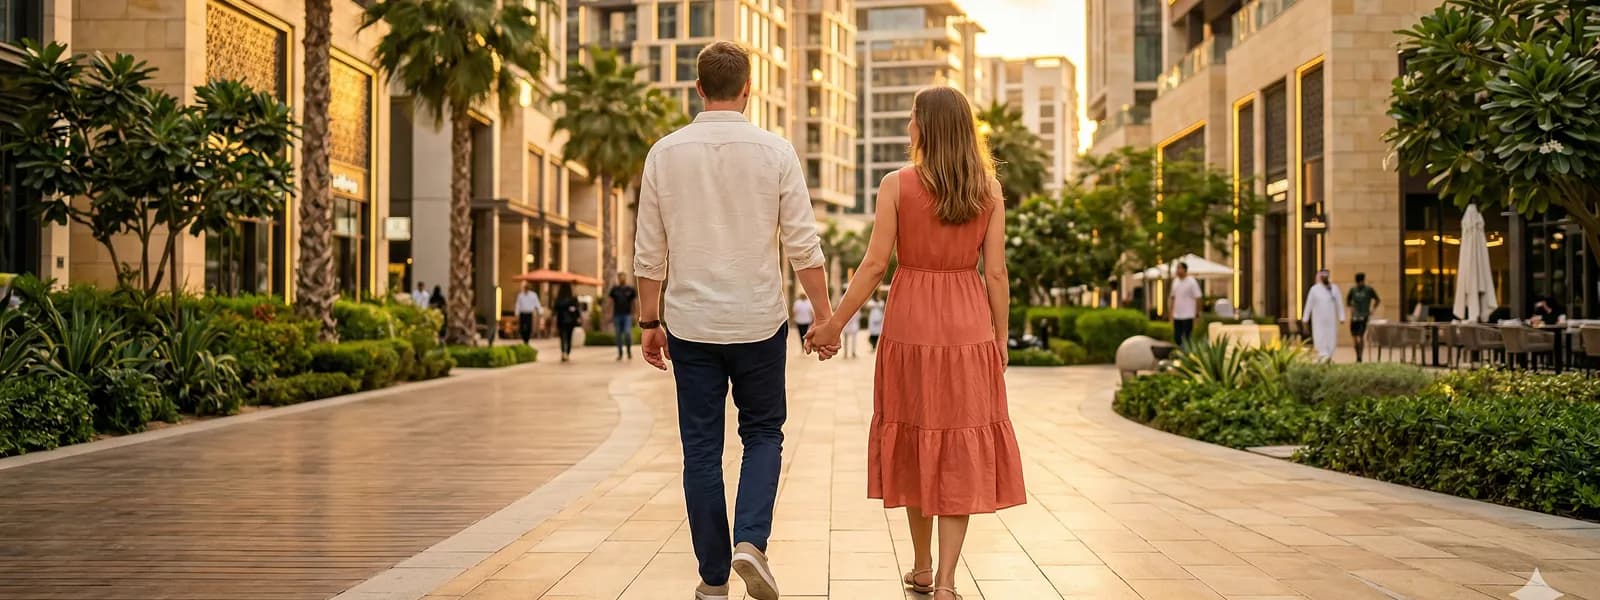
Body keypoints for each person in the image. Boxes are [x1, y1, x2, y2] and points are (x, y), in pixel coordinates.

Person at [632, 41, 836, 600]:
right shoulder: (776, 152)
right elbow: (803, 245)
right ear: (748, 88)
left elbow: (650, 251)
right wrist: (824, 317)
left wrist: (650, 323)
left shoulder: (664, 154)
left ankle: (714, 576)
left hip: (691, 325)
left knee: (700, 448)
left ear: (698, 88)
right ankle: (751, 541)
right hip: (759, 322)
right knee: (763, 433)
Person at [805, 86, 1025, 600]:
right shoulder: (987, 190)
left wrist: (835, 323)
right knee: (958, 444)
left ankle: (923, 566)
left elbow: (875, 264)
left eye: (912, 119)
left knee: (917, 437)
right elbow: (996, 273)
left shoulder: (897, 185)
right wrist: (1001, 338)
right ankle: (946, 580)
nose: (909, 127)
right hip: (969, 325)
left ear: (925, 126)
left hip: (909, 325)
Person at [1301, 269, 1346, 361]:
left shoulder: (1334, 288)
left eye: (1326, 276)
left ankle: (1328, 357)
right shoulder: (1314, 289)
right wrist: (1305, 318)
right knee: (1320, 338)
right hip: (1318, 321)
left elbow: (1339, 303)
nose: (1325, 278)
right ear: (1321, 277)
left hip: (1331, 320)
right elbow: (1309, 305)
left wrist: (1342, 316)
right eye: (1323, 276)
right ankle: (1323, 357)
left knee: (1331, 339)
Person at [1345, 272, 1380, 362]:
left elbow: (1377, 299)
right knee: (1354, 338)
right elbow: (1347, 301)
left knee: (1360, 337)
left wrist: (1372, 310)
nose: (1360, 284)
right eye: (1358, 282)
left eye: (1361, 282)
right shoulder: (1353, 290)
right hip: (1354, 317)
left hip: (1364, 316)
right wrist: (1351, 307)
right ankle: (1357, 353)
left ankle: (1360, 356)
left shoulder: (1368, 290)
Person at [1168, 262, 1203, 347]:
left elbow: (1198, 298)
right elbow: (1173, 297)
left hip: (1188, 315)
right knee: (1177, 338)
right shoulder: (1175, 281)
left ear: (1185, 269)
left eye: (1179, 268)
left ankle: (1186, 356)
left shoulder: (1192, 282)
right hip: (1177, 316)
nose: (1177, 270)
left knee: (1186, 338)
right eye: (1177, 268)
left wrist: (1197, 314)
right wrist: (1171, 313)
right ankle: (1179, 355)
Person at [609, 274, 638, 360]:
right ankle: (620, 353)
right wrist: (610, 314)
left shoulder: (630, 290)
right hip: (617, 315)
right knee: (618, 335)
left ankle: (629, 351)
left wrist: (635, 314)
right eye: (620, 277)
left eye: (623, 277)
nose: (622, 279)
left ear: (625, 278)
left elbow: (634, 302)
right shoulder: (615, 290)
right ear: (618, 278)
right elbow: (611, 302)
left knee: (627, 333)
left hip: (627, 315)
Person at [553, 283, 580, 362]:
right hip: (570, 320)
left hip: (561, 320)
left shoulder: (558, 299)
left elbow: (555, 309)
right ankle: (567, 353)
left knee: (562, 337)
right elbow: (577, 310)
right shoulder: (573, 299)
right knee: (569, 337)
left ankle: (563, 352)